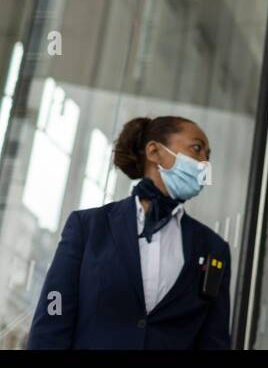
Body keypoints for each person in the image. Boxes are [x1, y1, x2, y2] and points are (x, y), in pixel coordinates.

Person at [27, 115, 232, 349]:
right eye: (197, 148)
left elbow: (214, 340)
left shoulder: (213, 248)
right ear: (154, 152)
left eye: (208, 155)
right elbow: (54, 314)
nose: (205, 162)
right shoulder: (89, 227)